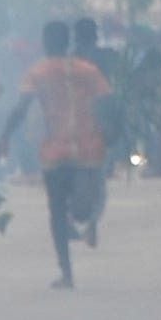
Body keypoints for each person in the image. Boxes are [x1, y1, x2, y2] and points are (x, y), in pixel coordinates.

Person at [0, 20, 113, 290]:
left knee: (59, 212)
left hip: (57, 152)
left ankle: (67, 270)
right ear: (68, 41)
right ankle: (84, 231)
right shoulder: (87, 71)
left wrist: (4, 137)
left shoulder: (38, 73)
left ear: (46, 43)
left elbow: (21, 108)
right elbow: (107, 103)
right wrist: (111, 134)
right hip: (86, 148)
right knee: (81, 204)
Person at [68, 17, 114, 245]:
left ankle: (68, 220)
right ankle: (92, 224)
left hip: (69, 125)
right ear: (95, 34)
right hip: (97, 125)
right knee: (97, 179)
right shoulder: (106, 57)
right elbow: (110, 94)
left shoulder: (67, 60)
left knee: (69, 176)